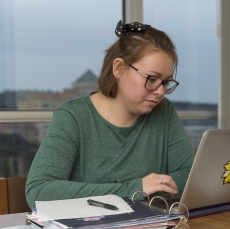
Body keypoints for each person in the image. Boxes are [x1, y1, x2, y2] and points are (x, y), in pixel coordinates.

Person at [25, 21, 195, 209]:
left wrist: (149, 188)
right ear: (119, 68)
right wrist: (136, 189)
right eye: (152, 79)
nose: (160, 91)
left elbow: (191, 176)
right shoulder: (73, 117)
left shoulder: (164, 112)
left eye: (166, 82)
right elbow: (39, 192)